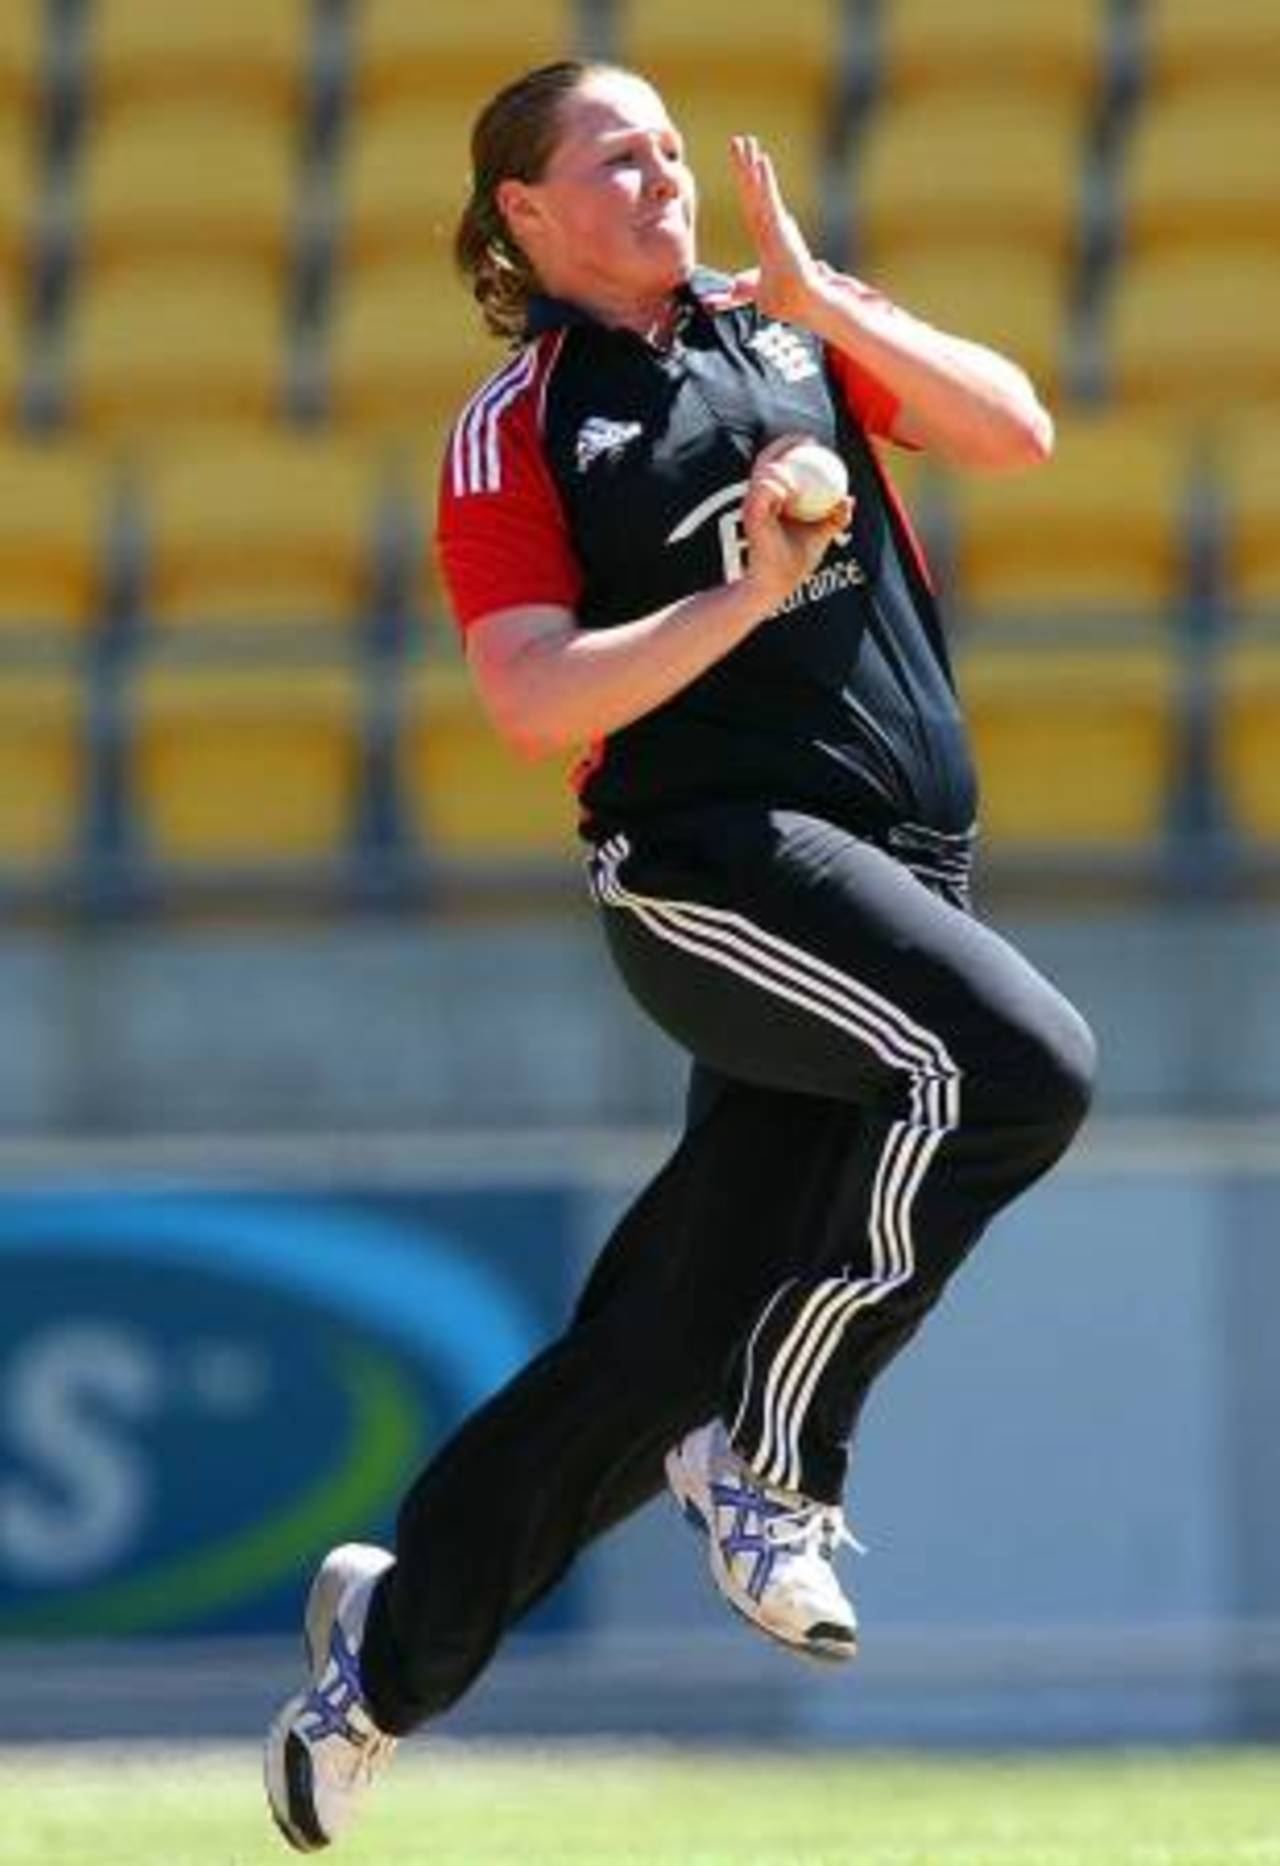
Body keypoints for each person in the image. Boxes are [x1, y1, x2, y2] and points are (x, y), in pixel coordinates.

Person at [264, 58, 1096, 1851]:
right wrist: (738, 595)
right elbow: (528, 697)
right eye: (612, 158)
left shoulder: (778, 330)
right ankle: (776, 1462)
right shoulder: (523, 423)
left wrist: (822, 296)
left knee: (660, 1338)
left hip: (896, 885)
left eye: (667, 148)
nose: (660, 176)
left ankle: (382, 1658)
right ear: (527, 218)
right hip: (712, 870)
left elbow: (1016, 426)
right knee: (1021, 1070)